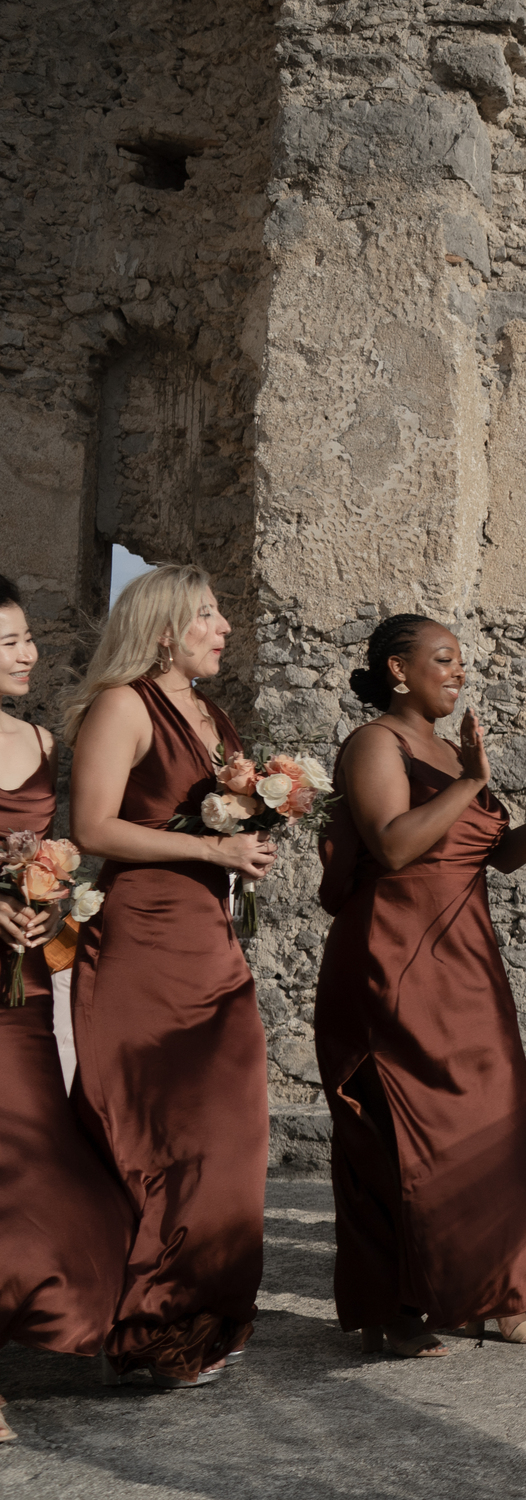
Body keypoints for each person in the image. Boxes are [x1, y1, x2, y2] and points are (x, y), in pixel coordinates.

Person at [317, 615, 526, 1357]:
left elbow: (494, 855)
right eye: (444, 660)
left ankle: (492, 1288)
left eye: (462, 661)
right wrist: (470, 780)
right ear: (397, 671)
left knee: (493, 1117)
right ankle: (393, 1306)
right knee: (402, 1129)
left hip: (466, 955)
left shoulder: (447, 746)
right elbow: (396, 845)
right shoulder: (377, 743)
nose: (459, 672)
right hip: (392, 960)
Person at [67, 565, 276, 1387]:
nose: (223, 627)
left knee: (233, 1128)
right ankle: (154, 1326)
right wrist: (210, 847)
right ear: (161, 629)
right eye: (207, 616)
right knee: (159, 1129)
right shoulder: (125, 704)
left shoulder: (213, 715)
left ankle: (210, 1306)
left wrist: (254, 835)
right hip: (145, 939)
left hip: (208, 936)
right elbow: (91, 825)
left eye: (220, 614)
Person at [0, 572, 135, 1438]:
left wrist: (47, 898)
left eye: (25, 638)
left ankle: (77, 1311)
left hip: (24, 986)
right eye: (8, 642)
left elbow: (59, 852)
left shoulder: (44, 738)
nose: (29, 653)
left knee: (35, 1158)